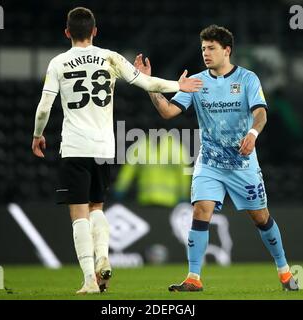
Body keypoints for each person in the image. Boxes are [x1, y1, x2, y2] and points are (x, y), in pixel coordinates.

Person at [31, 7, 202, 295]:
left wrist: (37, 135)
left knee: (79, 214)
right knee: (97, 207)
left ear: (67, 32)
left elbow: (45, 107)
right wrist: (179, 85)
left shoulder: (58, 63)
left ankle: (89, 279)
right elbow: (147, 82)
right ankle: (103, 257)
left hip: (74, 147)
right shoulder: (110, 57)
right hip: (104, 147)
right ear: (95, 31)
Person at [134, 25, 299, 292]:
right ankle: (193, 278)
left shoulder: (247, 79)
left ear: (227, 50)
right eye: (203, 49)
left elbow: (261, 114)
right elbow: (166, 112)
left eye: (211, 48)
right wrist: (149, 84)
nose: (206, 53)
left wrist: (253, 133)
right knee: (200, 212)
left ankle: (283, 271)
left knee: (261, 218)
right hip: (209, 163)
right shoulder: (196, 82)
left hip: (243, 164)